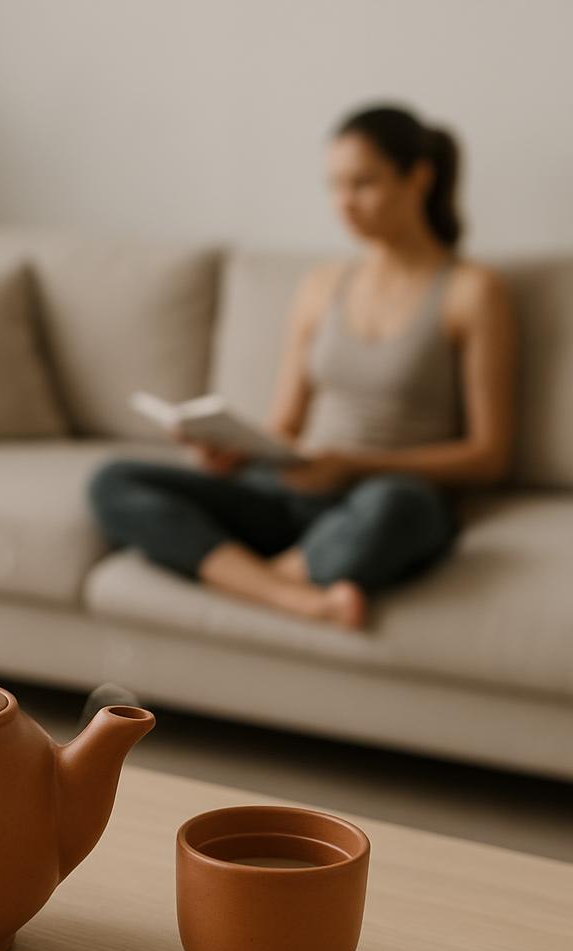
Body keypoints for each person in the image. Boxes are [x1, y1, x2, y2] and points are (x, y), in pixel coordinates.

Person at [88, 103, 516, 631]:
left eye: (362, 184)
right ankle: (298, 596)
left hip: (386, 494)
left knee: (398, 509)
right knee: (113, 480)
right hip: (292, 491)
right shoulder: (320, 285)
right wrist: (237, 452)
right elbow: (286, 425)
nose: (345, 204)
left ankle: (248, 579)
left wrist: (352, 465)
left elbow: (488, 457)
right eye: (334, 187)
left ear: (419, 178)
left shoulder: (473, 292)